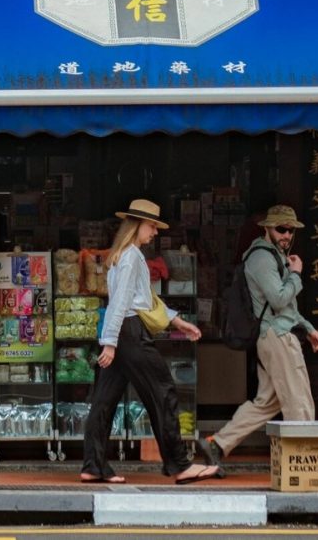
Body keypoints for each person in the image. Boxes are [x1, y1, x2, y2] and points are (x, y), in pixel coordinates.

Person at [181, 205, 318, 481]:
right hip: (277, 338)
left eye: (290, 230)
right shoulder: (261, 258)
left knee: (266, 403)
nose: (286, 235)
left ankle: (217, 444)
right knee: (299, 402)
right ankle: (304, 466)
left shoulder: (275, 256)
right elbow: (279, 299)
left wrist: (308, 328)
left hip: (277, 334)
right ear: (267, 229)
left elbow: (287, 307)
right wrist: (296, 273)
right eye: (281, 229)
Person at [81, 196, 201, 483]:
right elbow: (123, 302)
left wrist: (179, 321)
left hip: (122, 330)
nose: (155, 232)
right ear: (137, 226)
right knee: (163, 390)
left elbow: (145, 300)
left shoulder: (121, 255)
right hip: (129, 332)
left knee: (104, 400)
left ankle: (93, 465)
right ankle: (179, 464)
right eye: (152, 226)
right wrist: (110, 342)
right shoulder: (132, 256)